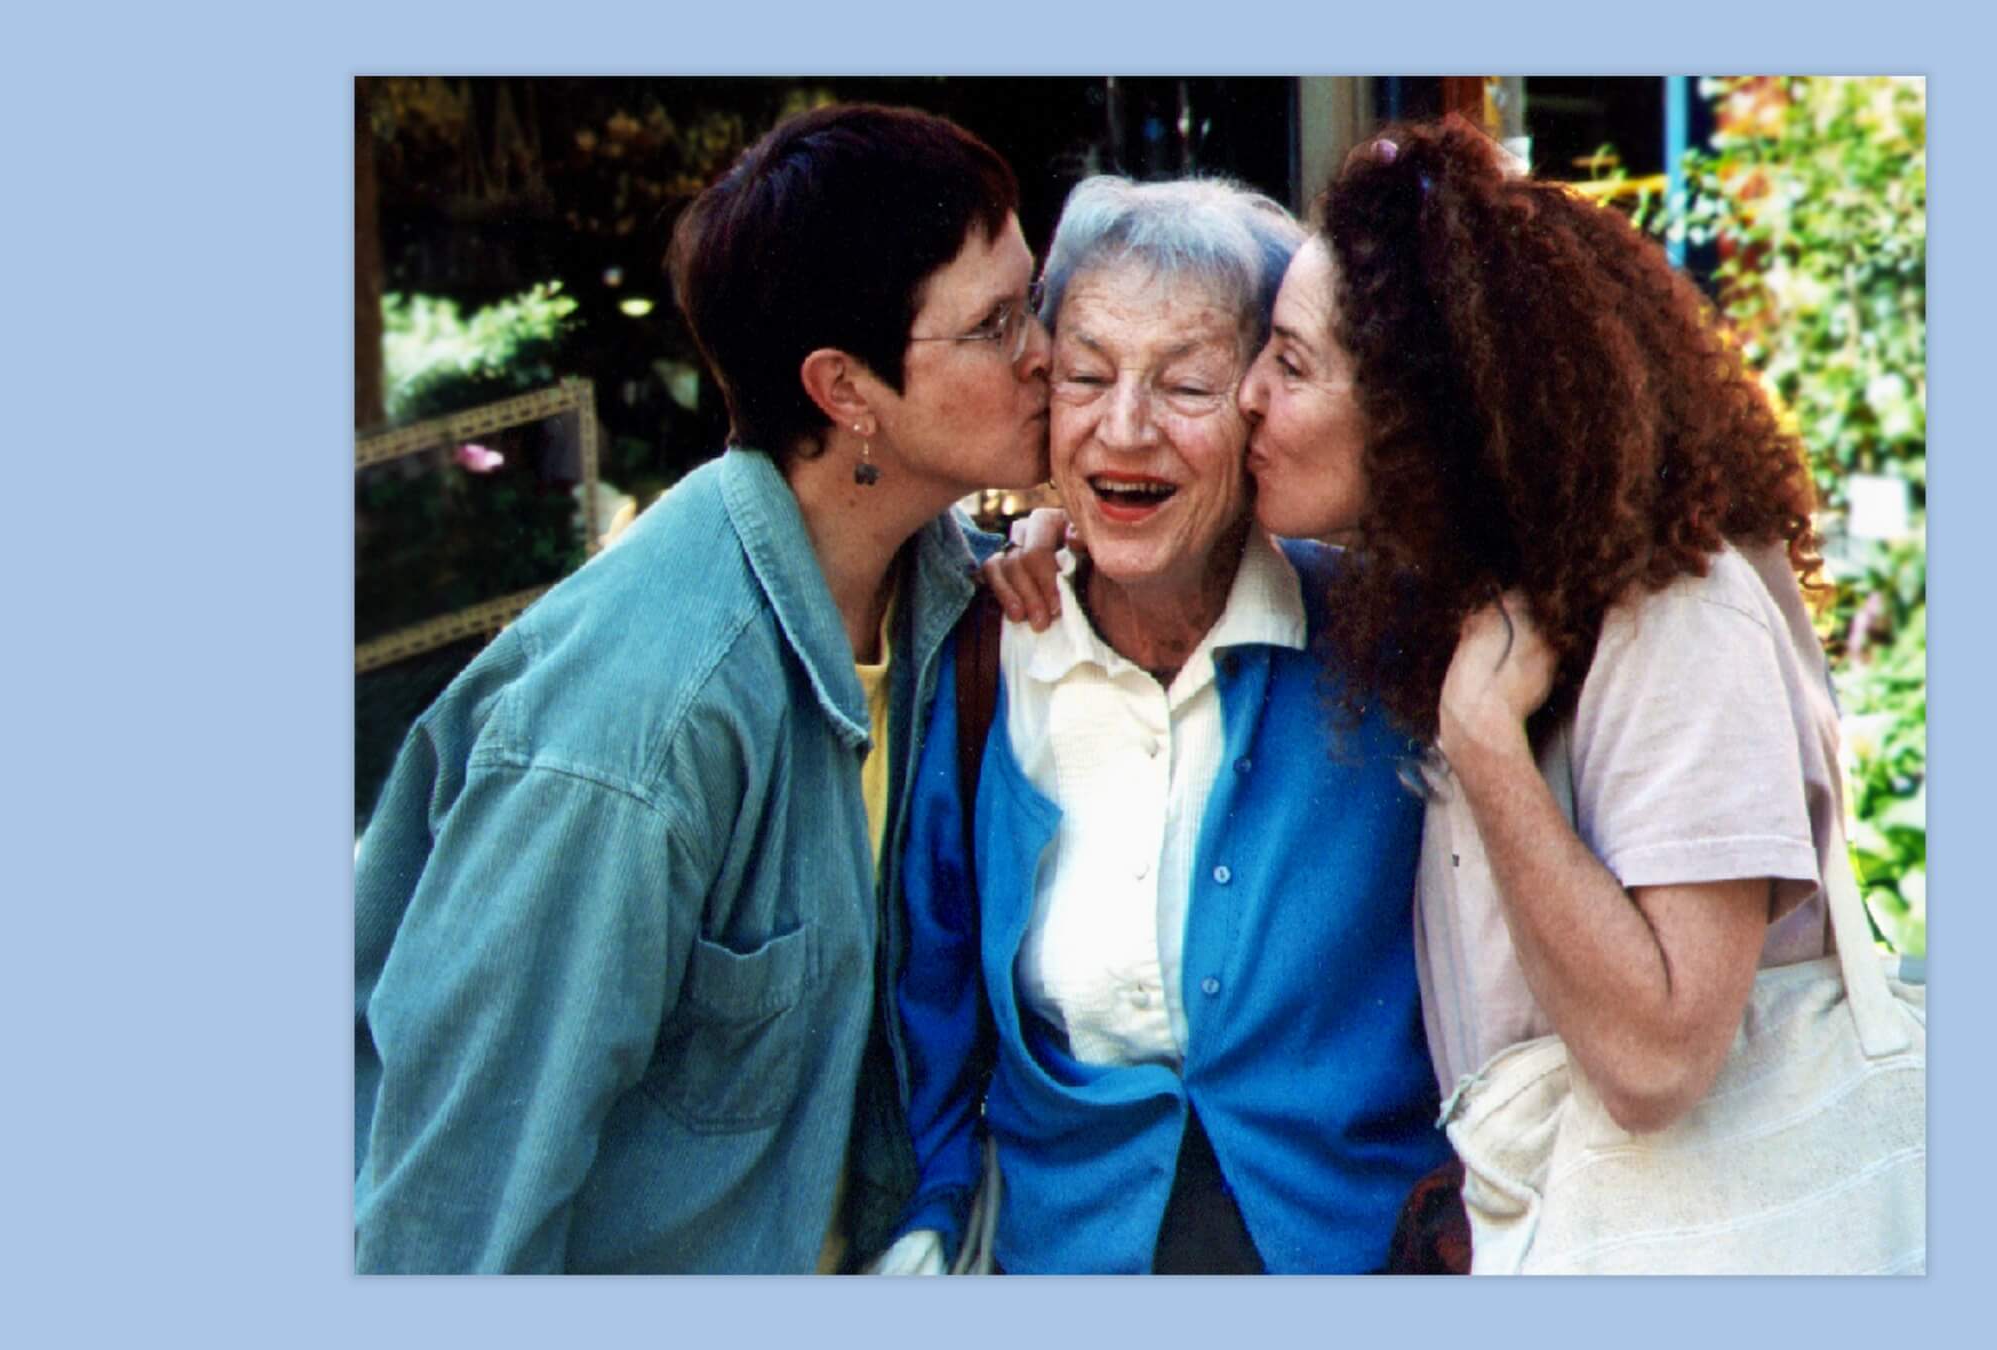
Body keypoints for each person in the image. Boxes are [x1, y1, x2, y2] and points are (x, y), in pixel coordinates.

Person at [992, 117, 1854, 1273]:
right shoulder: (1456, 599)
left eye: (1287, 365)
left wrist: (1485, 745)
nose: (1244, 399)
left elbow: (1658, 1062)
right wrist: (1050, 535)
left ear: (1420, 412)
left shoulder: (1675, 611)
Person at [353, 103, 1052, 1273]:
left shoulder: (944, 591)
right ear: (844, 390)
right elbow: (449, 1231)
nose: (1046, 349)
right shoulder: (627, 735)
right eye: (996, 324)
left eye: (1032, 295)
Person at [880, 175, 1449, 1276]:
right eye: (1086, 376)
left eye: (1186, 384)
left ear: (1261, 408)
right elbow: (932, 1002)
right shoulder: (992, 655)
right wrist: (930, 1221)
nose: (1123, 428)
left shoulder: (1389, 643)